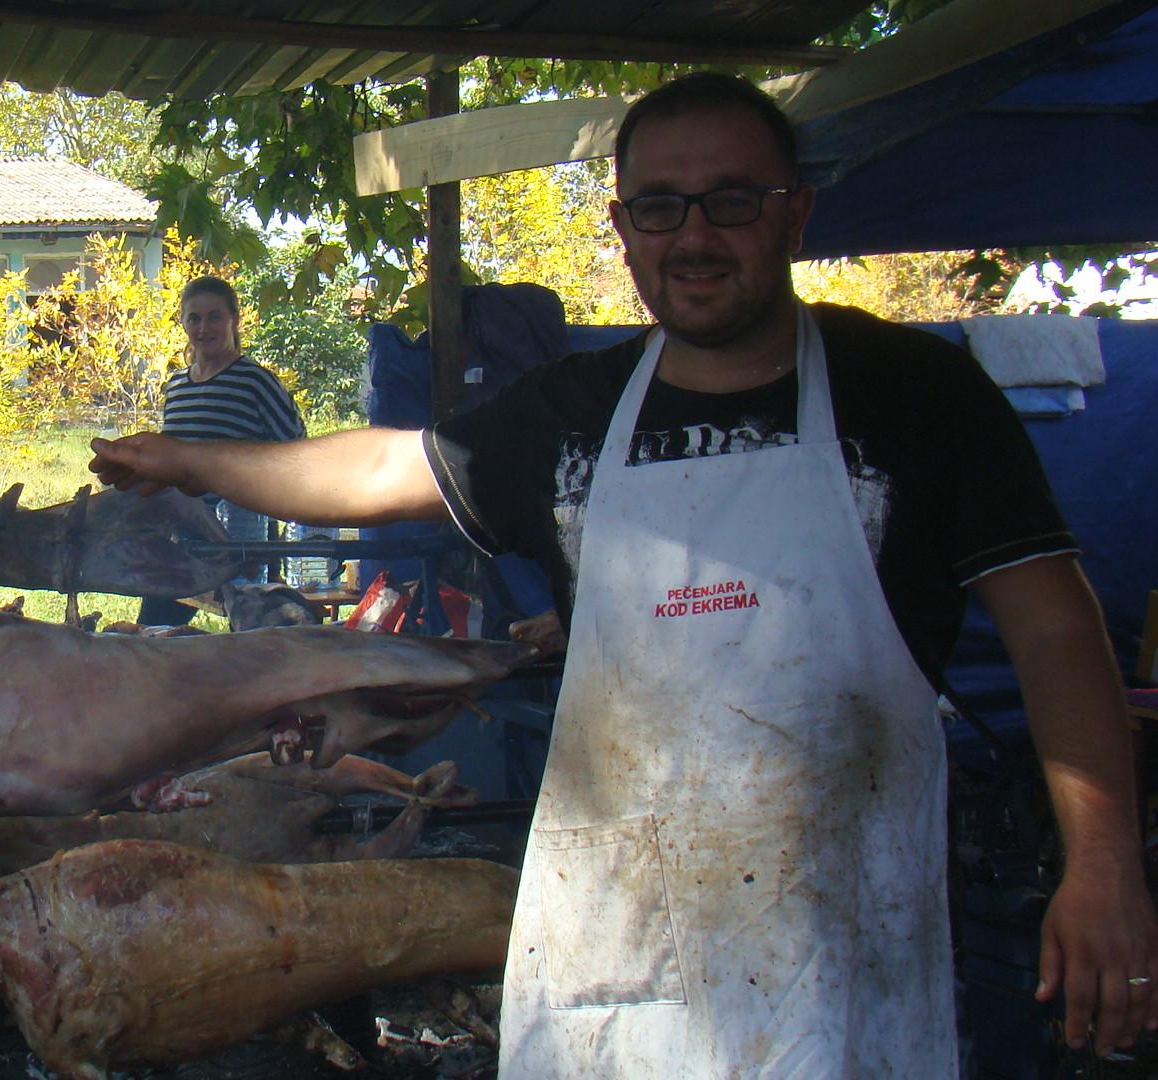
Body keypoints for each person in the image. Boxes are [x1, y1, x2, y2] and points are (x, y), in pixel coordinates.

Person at [90, 72, 1155, 1074]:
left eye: (729, 202)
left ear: (795, 213)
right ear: (623, 228)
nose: (692, 236)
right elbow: (386, 464)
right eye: (660, 208)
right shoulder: (574, 411)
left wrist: (1102, 864)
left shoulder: (919, 396)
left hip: (845, 941)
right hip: (618, 944)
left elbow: (1055, 626)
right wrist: (189, 458)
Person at [135, 275, 305, 627]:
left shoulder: (255, 381)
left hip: (239, 539)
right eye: (194, 318)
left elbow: (297, 451)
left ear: (233, 320)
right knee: (156, 635)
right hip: (181, 542)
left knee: (248, 648)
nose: (203, 327)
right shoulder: (177, 386)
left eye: (214, 316)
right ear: (183, 323)